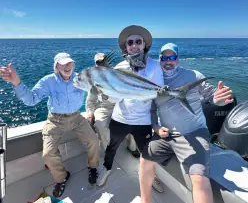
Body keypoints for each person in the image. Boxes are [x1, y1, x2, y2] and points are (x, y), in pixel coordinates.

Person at [139, 43, 234, 203]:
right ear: (160, 59)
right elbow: (152, 109)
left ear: (178, 59)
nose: (168, 61)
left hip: (195, 133)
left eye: (172, 57)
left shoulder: (193, 75)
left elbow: (213, 97)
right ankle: (145, 201)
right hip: (167, 135)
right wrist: (156, 127)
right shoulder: (155, 80)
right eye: (164, 58)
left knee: (198, 178)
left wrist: (219, 99)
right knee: (145, 158)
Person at [0, 53, 100, 198]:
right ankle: (62, 177)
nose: (67, 66)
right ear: (56, 66)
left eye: (70, 63)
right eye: (63, 64)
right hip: (55, 120)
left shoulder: (80, 78)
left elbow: (95, 91)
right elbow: (31, 99)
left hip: (77, 117)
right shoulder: (48, 81)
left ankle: (93, 167)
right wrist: (17, 82)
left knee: (93, 140)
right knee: (48, 154)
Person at [97, 25, 164, 193]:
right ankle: (107, 168)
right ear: (126, 47)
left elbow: (159, 92)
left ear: (144, 45)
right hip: (121, 118)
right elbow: (115, 97)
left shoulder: (155, 66)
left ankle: (152, 177)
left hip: (143, 120)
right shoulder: (119, 68)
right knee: (112, 146)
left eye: (138, 41)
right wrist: (104, 92)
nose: (134, 45)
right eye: (130, 42)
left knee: (146, 152)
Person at [85, 52, 140, 157]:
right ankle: (108, 149)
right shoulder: (93, 80)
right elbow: (90, 101)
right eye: (98, 63)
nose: (101, 64)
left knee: (134, 120)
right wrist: (89, 114)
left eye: (103, 61)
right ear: (95, 64)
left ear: (107, 62)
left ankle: (132, 147)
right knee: (100, 124)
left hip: (121, 106)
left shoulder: (117, 73)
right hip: (104, 107)